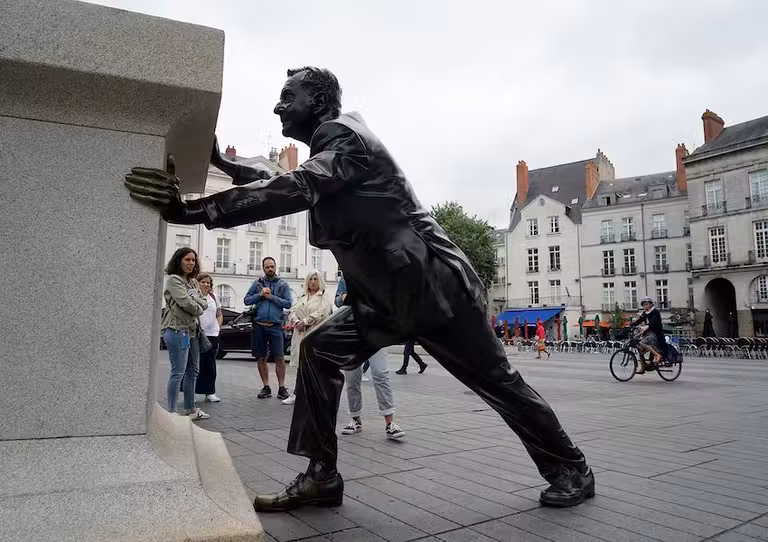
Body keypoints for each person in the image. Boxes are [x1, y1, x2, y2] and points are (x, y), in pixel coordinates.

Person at [124, 66, 593, 512]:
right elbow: (283, 181)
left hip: (432, 291)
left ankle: (572, 468)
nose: (277, 108)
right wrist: (224, 162)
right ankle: (321, 476)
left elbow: (295, 186)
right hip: (384, 299)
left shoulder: (346, 138)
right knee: (320, 352)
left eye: (289, 97)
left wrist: (192, 211)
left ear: (321, 101)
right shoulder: (333, 150)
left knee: (500, 384)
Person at [336, 275, 404, 440]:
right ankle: (355, 420)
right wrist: (344, 297)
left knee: (381, 374)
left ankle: (390, 423)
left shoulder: (375, 272)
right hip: (352, 332)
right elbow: (338, 301)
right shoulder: (347, 275)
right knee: (352, 378)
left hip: (375, 332)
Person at [161, 248, 210, 420]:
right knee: (178, 372)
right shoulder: (174, 280)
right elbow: (187, 304)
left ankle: (190, 408)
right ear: (179, 260)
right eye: (187, 260)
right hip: (177, 331)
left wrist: (196, 304)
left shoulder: (194, 282)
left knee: (193, 371)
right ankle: (172, 412)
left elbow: (204, 302)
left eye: (193, 260)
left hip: (193, 332)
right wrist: (197, 305)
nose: (191, 263)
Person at [243, 257, 292, 400]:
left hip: (276, 326)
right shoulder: (257, 284)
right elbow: (246, 300)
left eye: (272, 266)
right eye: (267, 267)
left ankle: (282, 388)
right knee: (261, 357)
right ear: (263, 268)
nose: (270, 269)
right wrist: (260, 295)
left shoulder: (283, 284)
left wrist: (271, 297)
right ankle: (266, 387)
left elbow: (288, 303)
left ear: (276, 266)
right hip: (259, 326)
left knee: (280, 358)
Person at [282, 270, 332, 405]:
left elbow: (322, 313)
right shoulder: (302, 296)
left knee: (315, 365)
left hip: (314, 334)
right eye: (310, 279)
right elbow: (292, 311)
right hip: (300, 334)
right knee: (301, 365)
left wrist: (305, 321)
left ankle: (317, 394)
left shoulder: (324, 297)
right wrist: (296, 321)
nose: (313, 282)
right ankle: (297, 393)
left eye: (315, 279)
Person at [196, 273, 223, 403]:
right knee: (194, 364)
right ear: (197, 283)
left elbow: (219, 314)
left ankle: (210, 392)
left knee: (210, 364)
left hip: (212, 334)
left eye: (208, 282)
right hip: (197, 334)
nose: (206, 284)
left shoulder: (213, 297)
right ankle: (190, 393)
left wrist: (218, 327)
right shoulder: (194, 296)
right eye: (203, 282)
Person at [630, 296, 665, 373]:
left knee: (642, 342)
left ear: (651, 304)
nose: (645, 306)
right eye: (644, 304)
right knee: (639, 348)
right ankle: (643, 367)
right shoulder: (645, 313)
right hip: (648, 334)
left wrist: (647, 326)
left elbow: (653, 322)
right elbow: (639, 320)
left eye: (646, 304)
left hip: (656, 334)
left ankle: (657, 355)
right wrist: (630, 325)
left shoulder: (655, 312)